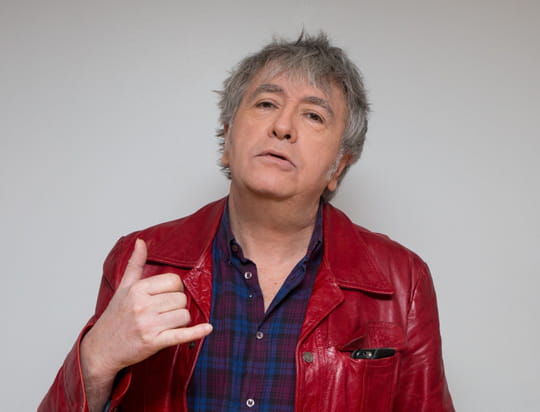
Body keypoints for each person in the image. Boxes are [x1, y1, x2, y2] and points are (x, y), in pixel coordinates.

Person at [39, 32, 454, 412]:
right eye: (266, 103)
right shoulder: (143, 262)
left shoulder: (403, 281)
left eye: (313, 116)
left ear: (338, 166)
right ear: (227, 139)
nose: (282, 127)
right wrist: (95, 359)